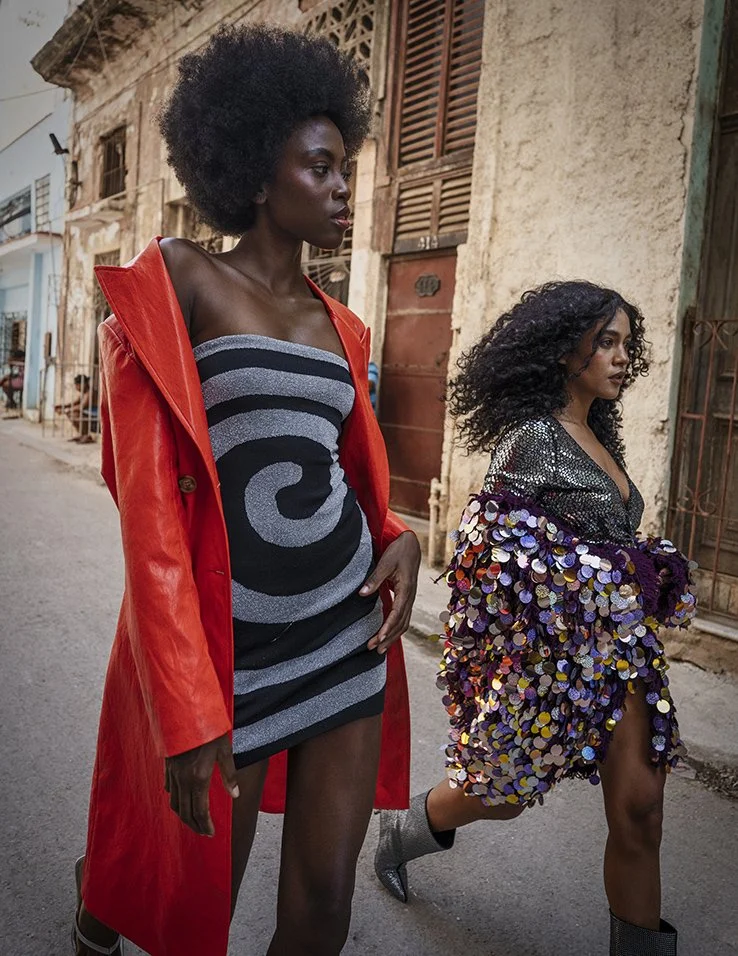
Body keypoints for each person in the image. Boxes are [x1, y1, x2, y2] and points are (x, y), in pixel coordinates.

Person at [73, 25, 420, 956]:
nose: (344, 186)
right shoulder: (180, 282)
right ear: (258, 174)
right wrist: (186, 707)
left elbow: (344, 473)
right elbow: (148, 518)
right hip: (235, 655)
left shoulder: (340, 324)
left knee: (320, 908)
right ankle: (95, 903)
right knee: (201, 912)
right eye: (321, 167)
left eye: (346, 166)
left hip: (343, 631)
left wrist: (400, 535)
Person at [374, 281, 696, 955]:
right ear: (561, 349)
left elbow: (596, 538)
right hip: (547, 668)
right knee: (499, 793)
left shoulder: (600, 435)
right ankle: (403, 832)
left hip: (621, 659)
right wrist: (608, 575)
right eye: (605, 342)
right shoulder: (531, 441)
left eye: (626, 345)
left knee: (640, 809)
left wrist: (649, 563)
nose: (619, 358)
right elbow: (489, 545)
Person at [55, 374, 97, 442]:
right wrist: (62, 406)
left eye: (78, 385)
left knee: (75, 414)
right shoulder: (83, 393)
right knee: (71, 413)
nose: (76, 387)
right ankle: (81, 434)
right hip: (87, 413)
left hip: (94, 415)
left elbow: (81, 407)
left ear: (84, 384)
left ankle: (86, 435)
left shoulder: (90, 392)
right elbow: (74, 403)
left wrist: (65, 410)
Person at [1, 348, 25, 416]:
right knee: (4, 380)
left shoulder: (23, 362)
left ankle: (11, 401)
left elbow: (22, 375)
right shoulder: (21, 362)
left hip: (22, 381)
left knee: (5, 384)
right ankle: (11, 401)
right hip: (20, 379)